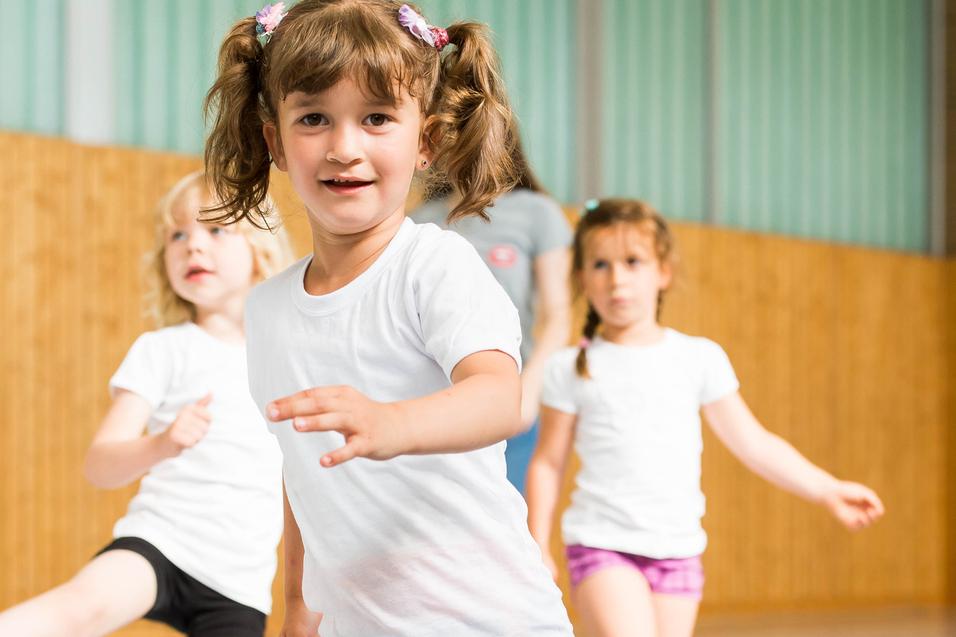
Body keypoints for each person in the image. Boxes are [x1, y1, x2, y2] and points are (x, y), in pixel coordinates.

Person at [202, 2, 573, 636]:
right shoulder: (267, 310)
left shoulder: (435, 265)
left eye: (377, 118)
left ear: (424, 141)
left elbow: (497, 397)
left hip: (491, 620)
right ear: (276, 143)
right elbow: (303, 472)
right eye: (314, 118)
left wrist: (392, 422)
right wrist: (296, 611)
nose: (345, 148)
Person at [526, 198, 885, 637]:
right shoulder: (569, 367)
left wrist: (826, 489)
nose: (617, 278)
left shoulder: (698, 359)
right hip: (601, 545)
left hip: (679, 550)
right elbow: (547, 462)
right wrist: (537, 541)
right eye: (600, 264)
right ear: (582, 277)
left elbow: (755, 443)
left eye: (633, 261)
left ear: (663, 272)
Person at [0, 172, 295, 637]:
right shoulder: (163, 349)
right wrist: (161, 444)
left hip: (240, 581)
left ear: (259, 252)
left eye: (215, 229)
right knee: (78, 609)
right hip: (160, 543)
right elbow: (100, 466)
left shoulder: (288, 360)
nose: (192, 246)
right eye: (178, 235)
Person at [412, 140, 572, 494]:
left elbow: (558, 316)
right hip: (430, 405)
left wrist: (528, 390)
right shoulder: (420, 222)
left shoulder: (535, 213)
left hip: (508, 399)